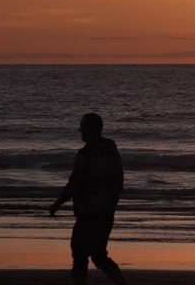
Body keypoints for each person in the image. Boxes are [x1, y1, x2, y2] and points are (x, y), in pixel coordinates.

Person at [49, 113, 127, 285]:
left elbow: (74, 184)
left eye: (82, 126)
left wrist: (57, 204)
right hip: (106, 212)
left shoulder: (84, 154)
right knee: (99, 255)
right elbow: (118, 180)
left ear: (90, 129)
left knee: (79, 254)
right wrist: (112, 203)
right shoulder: (111, 148)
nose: (79, 130)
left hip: (88, 213)